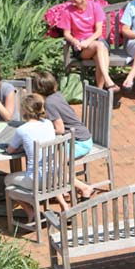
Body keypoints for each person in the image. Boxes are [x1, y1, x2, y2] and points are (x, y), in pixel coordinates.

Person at [4, 94, 69, 222]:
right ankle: (64, 205)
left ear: (25, 111)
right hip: (54, 176)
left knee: (7, 180)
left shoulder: (22, 130)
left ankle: (31, 211)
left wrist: (9, 147)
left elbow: (10, 150)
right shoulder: (49, 124)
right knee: (48, 174)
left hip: (37, 181)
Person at [32, 71, 95, 199]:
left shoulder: (49, 103)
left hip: (79, 142)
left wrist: (43, 130)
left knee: (51, 164)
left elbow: (60, 129)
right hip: (81, 137)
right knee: (50, 159)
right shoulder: (57, 95)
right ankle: (62, 188)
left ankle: (84, 188)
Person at [57, 0, 120, 92]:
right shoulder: (67, 11)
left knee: (99, 52)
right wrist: (75, 40)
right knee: (100, 47)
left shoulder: (94, 7)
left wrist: (88, 41)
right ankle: (108, 81)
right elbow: (66, 34)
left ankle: (99, 91)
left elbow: (99, 31)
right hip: (81, 47)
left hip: (94, 42)